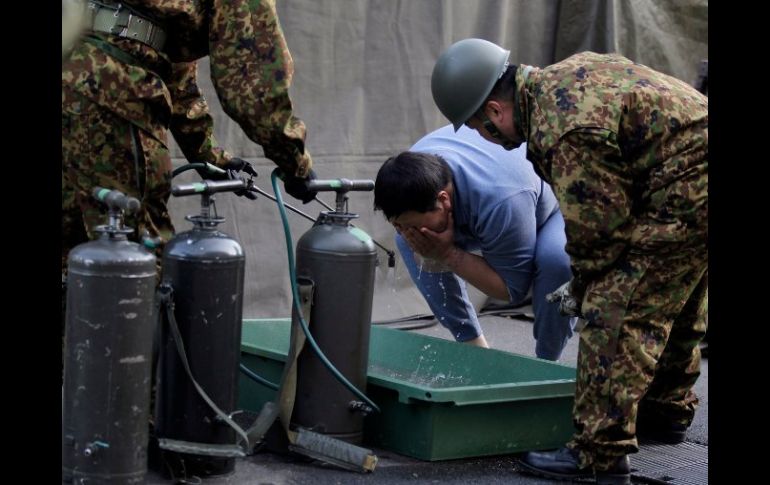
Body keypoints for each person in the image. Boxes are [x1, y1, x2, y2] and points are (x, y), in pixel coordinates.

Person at [431, 39, 708, 485]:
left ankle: (598, 453)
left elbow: (601, 236)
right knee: (678, 293)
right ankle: (665, 408)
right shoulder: (568, 74)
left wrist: (583, 289)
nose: (484, 138)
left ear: (496, 111)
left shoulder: (561, 128)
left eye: (480, 128)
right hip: (689, 178)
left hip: (688, 189)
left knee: (618, 307)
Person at [62, 0, 318, 277]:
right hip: (107, 89)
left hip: (77, 67)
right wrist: (295, 163)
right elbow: (252, 82)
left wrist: (209, 155)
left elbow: (174, 69)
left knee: (74, 256)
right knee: (132, 259)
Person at [374, 124, 576, 361]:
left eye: (411, 225)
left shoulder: (500, 200)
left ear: (443, 200)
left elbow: (511, 291)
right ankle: (475, 349)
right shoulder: (411, 176)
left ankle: (547, 361)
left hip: (556, 203)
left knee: (558, 261)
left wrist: (449, 254)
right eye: (398, 225)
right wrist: (426, 245)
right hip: (493, 197)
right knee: (412, 244)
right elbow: (408, 228)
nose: (407, 232)